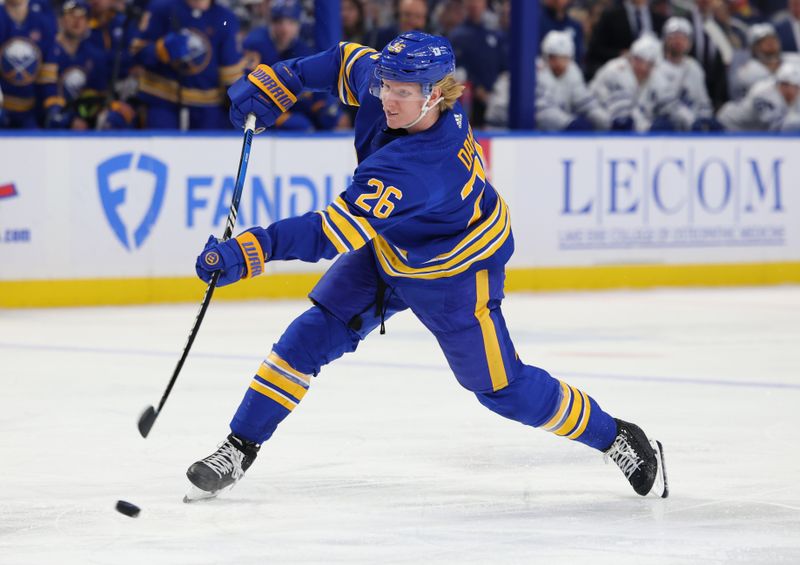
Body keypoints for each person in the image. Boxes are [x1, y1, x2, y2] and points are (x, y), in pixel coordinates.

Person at [182, 31, 669, 503]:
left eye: (401, 91)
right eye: (385, 86)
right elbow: (340, 60)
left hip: (455, 273)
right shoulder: (397, 88)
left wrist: (251, 249)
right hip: (395, 247)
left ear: (436, 95)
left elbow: (328, 233)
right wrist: (283, 78)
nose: (387, 99)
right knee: (306, 338)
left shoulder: (423, 165)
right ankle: (240, 445)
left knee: (502, 389)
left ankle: (617, 436)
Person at [129, 0, 243, 130]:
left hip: (207, 109)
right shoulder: (161, 8)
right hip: (162, 102)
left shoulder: (226, 18)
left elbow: (231, 77)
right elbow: (135, 55)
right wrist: (161, 50)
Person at [644, 16, 717, 130]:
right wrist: (691, 121)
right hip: (660, 128)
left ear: (690, 42)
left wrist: (704, 121)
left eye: (683, 37)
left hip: (691, 130)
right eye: (674, 37)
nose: (679, 41)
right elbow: (666, 104)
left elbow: (703, 102)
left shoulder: (695, 67)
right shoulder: (654, 66)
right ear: (665, 40)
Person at [589, 33, 661, 131]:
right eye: (639, 60)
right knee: (624, 122)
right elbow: (623, 110)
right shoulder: (616, 70)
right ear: (633, 58)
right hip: (599, 119)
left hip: (624, 121)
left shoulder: (652, 76)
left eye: (650, 64)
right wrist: (647, 127)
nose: (644, 68)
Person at [717, 61, 800, 130]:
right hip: (726, 125)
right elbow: (775, 124)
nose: (797, 91)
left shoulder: (785, 96)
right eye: (795, 87)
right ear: (784, 85)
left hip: (747, 131)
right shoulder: (766, 94)